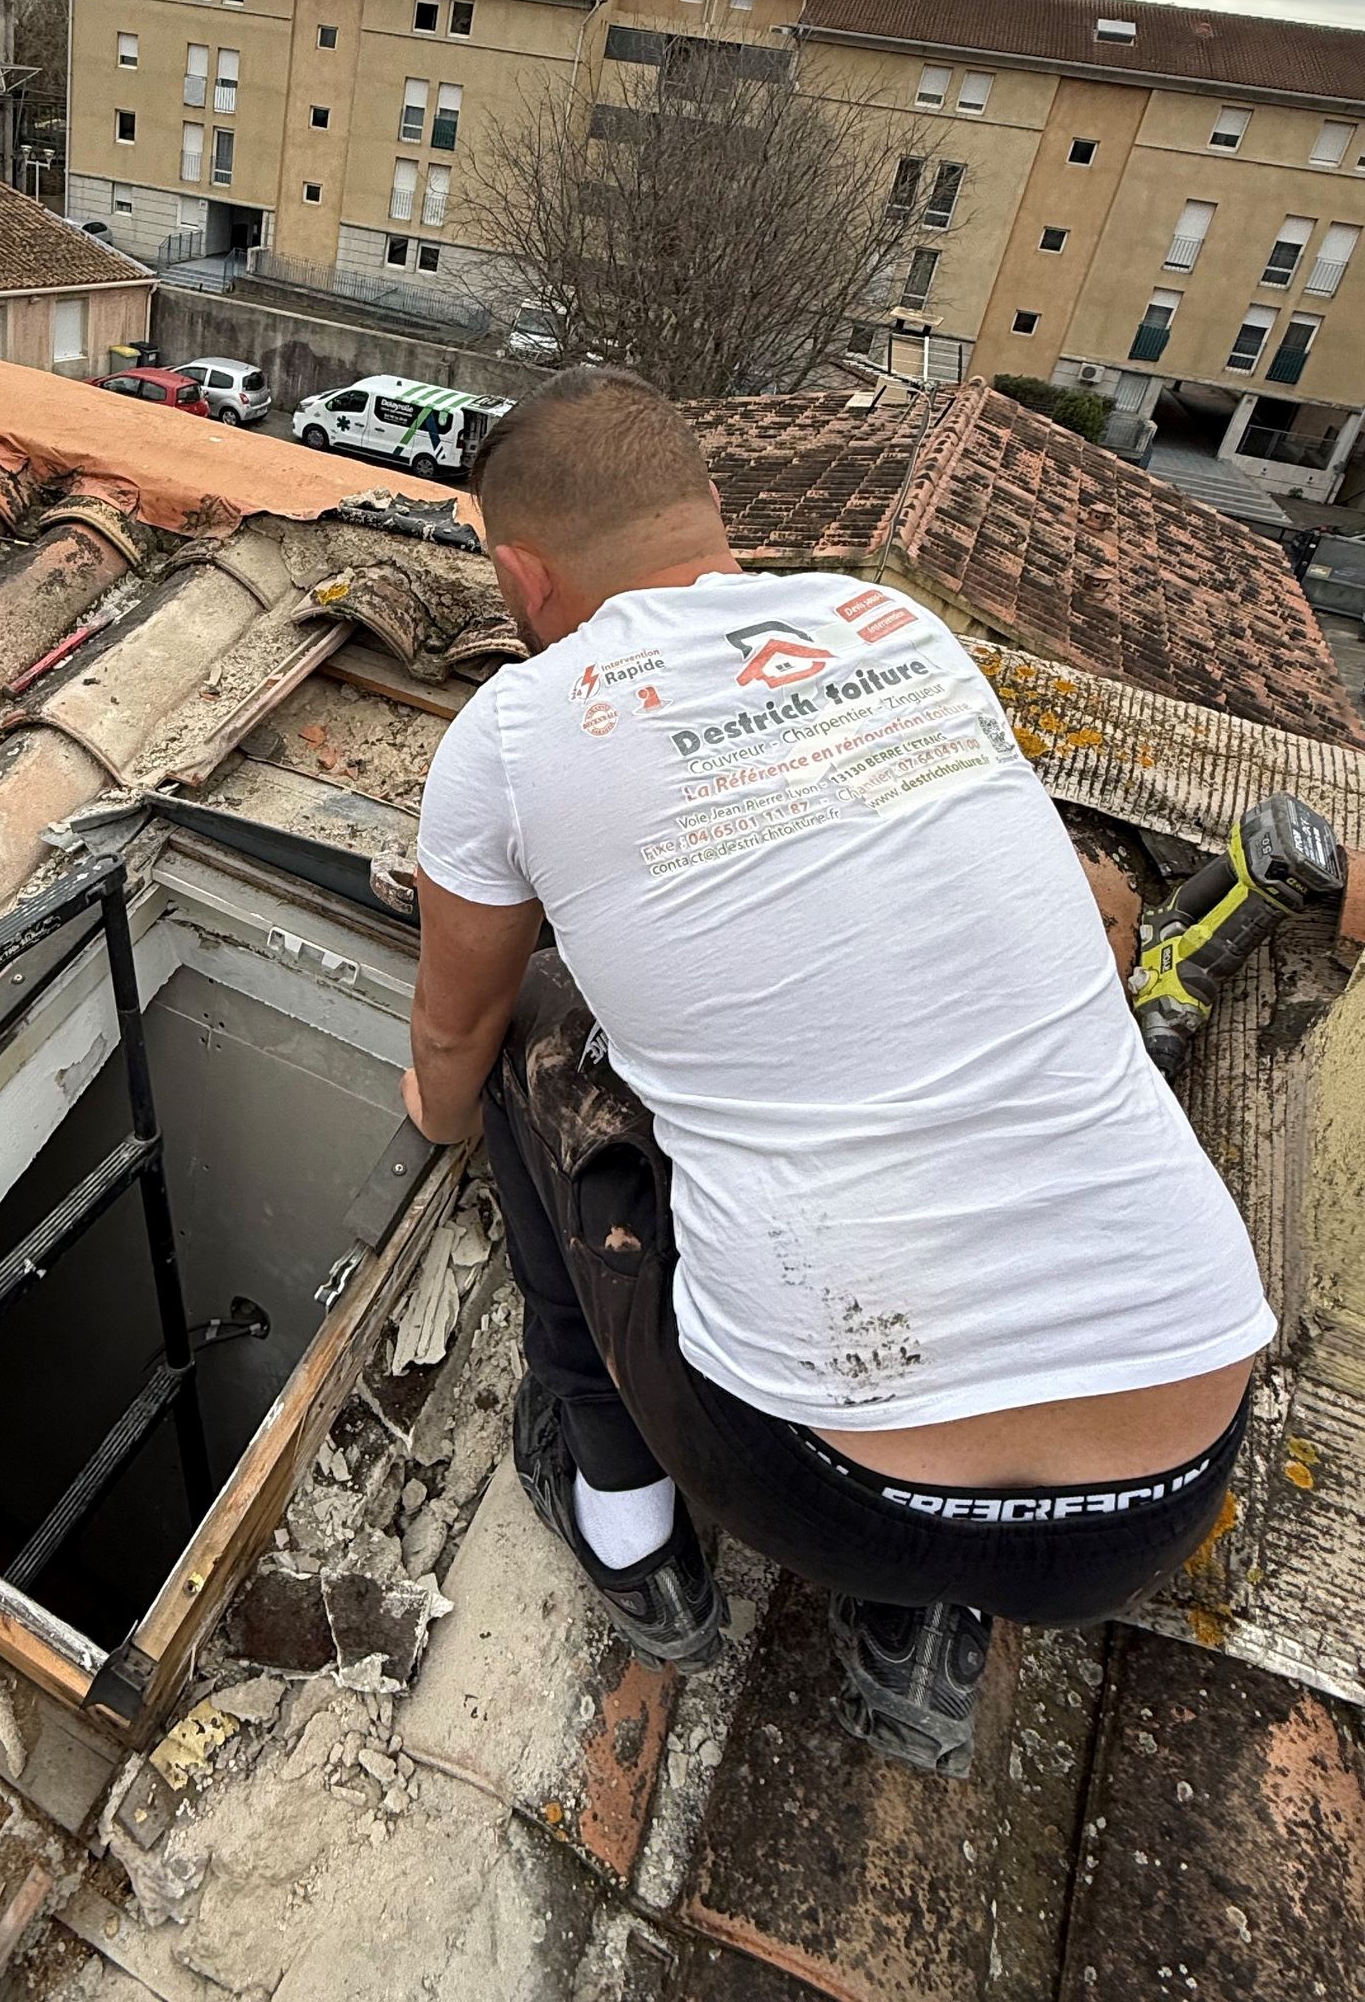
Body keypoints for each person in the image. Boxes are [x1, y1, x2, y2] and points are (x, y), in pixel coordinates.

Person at [404, 367, 1271, 1774]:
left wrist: (438, 1112)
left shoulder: (512, 729)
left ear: (522, 571)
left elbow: (454, 1031)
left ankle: (628, 1528)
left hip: (814, 1488)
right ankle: (924, 1633)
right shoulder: (905, 630)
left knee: (527, 1037)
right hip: (1166, 1487)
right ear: (711, 517)